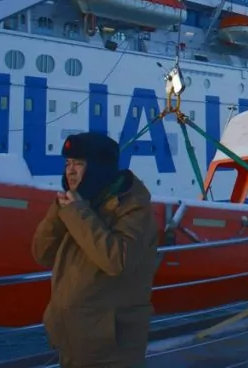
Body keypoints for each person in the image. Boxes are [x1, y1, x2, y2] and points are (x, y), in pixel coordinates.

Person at [32, 132, 160, 367]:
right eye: (68, 163)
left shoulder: (132, 206)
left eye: (79, 164)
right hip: (73, 338)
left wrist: (76, 212)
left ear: (100, 168)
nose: (70, 171)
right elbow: (42, 254)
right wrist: (58, 212)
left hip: (110, 347)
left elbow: (117, 261)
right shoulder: (83, 202)